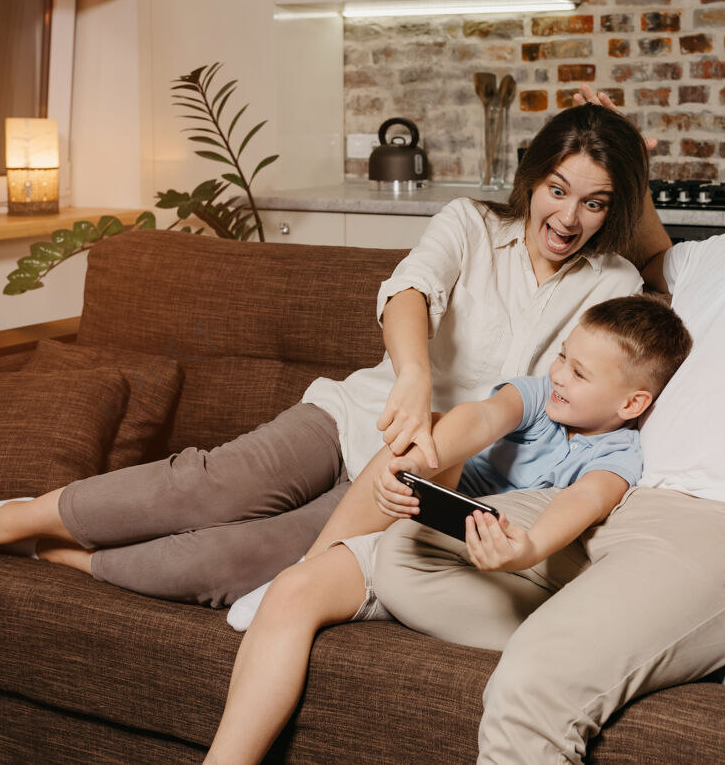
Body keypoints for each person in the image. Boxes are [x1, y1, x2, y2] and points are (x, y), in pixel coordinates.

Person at [373, 38, 725, 763]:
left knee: (539, 679)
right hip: (632, 506)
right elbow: (645, 252)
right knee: (411, 550)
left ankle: (617, 647)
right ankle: (678, 650)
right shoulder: (723, 256)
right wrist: (624, 156)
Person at [0, 103, 654, 611]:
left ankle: (58, 557)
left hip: (427, 468)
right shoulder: (466, 221)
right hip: (364, 410)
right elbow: (409, 293)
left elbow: (601, 370)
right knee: (205, 487)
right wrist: (415, 378)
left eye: (594, 202)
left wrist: (444, 439)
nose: (568, 217)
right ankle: (3, 518)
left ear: (614, 207)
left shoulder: (612, 280)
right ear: (534, 179)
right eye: (559, 190)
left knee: (238, 562)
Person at [203, 294, 691, 765]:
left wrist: (528, 547)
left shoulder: (620, 455)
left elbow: (587, 499)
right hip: (433, 526)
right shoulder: (540, 396)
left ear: (632, 403)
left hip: (495, 570)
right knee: (296, 586)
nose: (559, 373)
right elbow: (480, 418)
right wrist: (413, 465)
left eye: (579, 373)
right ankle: (316, 562)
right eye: (563, 355)